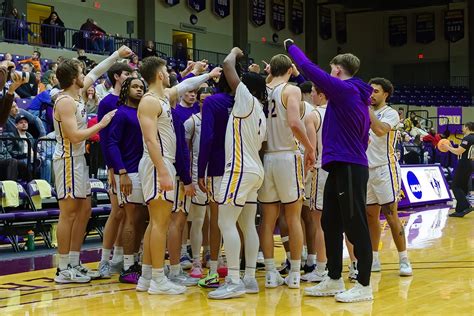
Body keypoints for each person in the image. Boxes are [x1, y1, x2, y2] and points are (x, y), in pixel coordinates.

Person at [286, 39, 373, 302]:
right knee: (330, 222)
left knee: (355, 225)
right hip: (339, 165)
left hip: (349, 166)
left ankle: (365, 286)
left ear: (336, 70)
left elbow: (309, 69)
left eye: (331, 68)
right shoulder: (353, 97)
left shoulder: (346, 91)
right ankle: (334, 279)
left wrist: (291, 47)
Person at [135, 56, 221, 295]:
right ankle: (158, 280)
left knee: (155, 222)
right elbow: (151, 140)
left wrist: (208, 75)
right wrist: (163, 170)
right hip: (157, 164)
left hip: (163, 164)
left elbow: (184, 86)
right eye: (165, 70)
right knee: (161, 222)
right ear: (160, 75)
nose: (168, 73)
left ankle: (146, 277)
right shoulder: (150, 102)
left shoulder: (162, 97)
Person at [53, 45, 132, 284]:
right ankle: (63, 268)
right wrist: (102, 123)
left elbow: (97, 71)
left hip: (78, 161)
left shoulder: (76, 94)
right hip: (67, 160)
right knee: (68, 214)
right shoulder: (65, 101)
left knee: (85, 210)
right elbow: (75, 136)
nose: (84, 74)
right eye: (81, 71)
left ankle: (75, 262)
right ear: (73, 78)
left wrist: (117, 55)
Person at [207, 47, 267, 299]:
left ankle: (233, 280)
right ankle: (250, 278)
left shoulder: (246, 100)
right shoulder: (261, 112)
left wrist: (233, 52)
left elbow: (227, 64)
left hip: (240, 170)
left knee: (225, 222)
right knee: (246, 224)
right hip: (255, 171)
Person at [257, 52, 315, 290]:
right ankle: (294, 272)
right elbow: (293, 122)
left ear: (270, 70)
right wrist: (310, 148)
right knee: (293, 217)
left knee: (268, 220)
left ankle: (270, 272)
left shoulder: (262, 89)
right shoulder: (291, 90)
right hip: (286, 156)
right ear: (291, 70)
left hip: (266, 157)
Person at [364, 77, 412, 276]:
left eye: (376, 91)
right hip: (365, 168)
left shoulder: (390, 113)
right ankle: (374, 258)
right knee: (370, 216)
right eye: (370, 91)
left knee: (391, 215)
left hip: (385, 168)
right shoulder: (363, 110)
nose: (371, 94)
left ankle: (404, 259)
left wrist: (366, 110)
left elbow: (380, 129)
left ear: (386, 94)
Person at [197, 68, 236, 289]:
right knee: (243, 221)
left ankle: (213, 270)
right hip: (245, 167)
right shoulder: (249, 101)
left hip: (219, 167)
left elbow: (207, 137)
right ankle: (242, 272)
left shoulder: (213, 102)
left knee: (216, 220)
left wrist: (202, 168)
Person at [107, 77, 147, 283]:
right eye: (135, 87)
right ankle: (127, 266)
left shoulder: (145, 112)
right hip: (129, 172)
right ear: (126, 90)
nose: (139, 90)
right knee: (131, 217)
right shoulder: (121, 113)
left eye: (141, 87)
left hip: (146, 172)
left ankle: (137, 260)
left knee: (141, 218)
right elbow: (111, 143)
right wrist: (121, 172)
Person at [96, 63, 132, 278]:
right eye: (127, 73)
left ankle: (119, 257)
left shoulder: (134, 101)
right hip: (117, 165)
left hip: (133, 165)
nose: (131, 76)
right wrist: (111, 167)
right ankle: (104, 260)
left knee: (130, 213)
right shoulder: (107, 102)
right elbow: (105, 137)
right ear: (117, 76)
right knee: (117, 211)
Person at [184, 86, 214, 278]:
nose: (204, 103)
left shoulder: (221, 121)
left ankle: (213, 255)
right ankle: (196, 260)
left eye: (208, 100)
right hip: (197, 176)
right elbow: (186, 152)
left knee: (217, 220)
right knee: (199, 219)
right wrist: (188, 178)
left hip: (216, 175)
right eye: (201, 100)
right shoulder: (192, 122)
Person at [301, 84, 328, 283]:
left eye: (313, 92)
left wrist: (303, 174)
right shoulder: (343, 112)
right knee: (344, 222)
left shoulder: (314, 115)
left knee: (319, 223)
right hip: (343, 169)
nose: (311, 95)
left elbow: (310, 152)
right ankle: (354, 266)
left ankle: (320, 268)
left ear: (321, 94)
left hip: (321, 169)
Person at [446, 122, 474, 217]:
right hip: (471, 163)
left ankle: (466, 205)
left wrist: (448, 147)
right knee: (462, 186)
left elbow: (459, 151)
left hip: (464, 163)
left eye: (463, 126)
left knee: (455, 186)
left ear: (467, 127)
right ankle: (459, 210)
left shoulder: (467, 138)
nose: (462, 128)